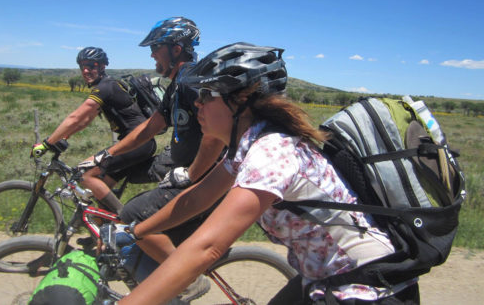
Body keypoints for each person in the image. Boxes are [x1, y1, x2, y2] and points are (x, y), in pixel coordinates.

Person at [117, 42, 420, 305]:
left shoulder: (271, 153)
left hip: (367, 287)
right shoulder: (248, 146)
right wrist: (137, 231)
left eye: (207, 94)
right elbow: (196, 198)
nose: (197, 102)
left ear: (240, 101)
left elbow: (207, 248)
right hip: (324, 276)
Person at [85, 18, 225, 290]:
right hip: (191, 173)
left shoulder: (191, 81)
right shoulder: (177, 85)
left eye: (155, 48)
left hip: (204, 178)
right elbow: (149, 128)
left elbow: (215, 133)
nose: (151, 54)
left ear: (176, 49)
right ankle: (165, 284)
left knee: (133, 215)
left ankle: (188, 282)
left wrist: (191, 173)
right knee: (145, 225)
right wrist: (105, 155)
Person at [30, 46, 157, 213]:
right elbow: (85, 121)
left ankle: (125, 219)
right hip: (139, 142)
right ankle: (103, 229)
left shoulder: (106, 87)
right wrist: (64, 136)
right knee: (100, 188)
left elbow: (76, 117)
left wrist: (47, 144)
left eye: (91, 65)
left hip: (136, 143)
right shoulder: (108, 85)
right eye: (82, 66)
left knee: (85, 174)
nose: (85, 70)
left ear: (102, 66)